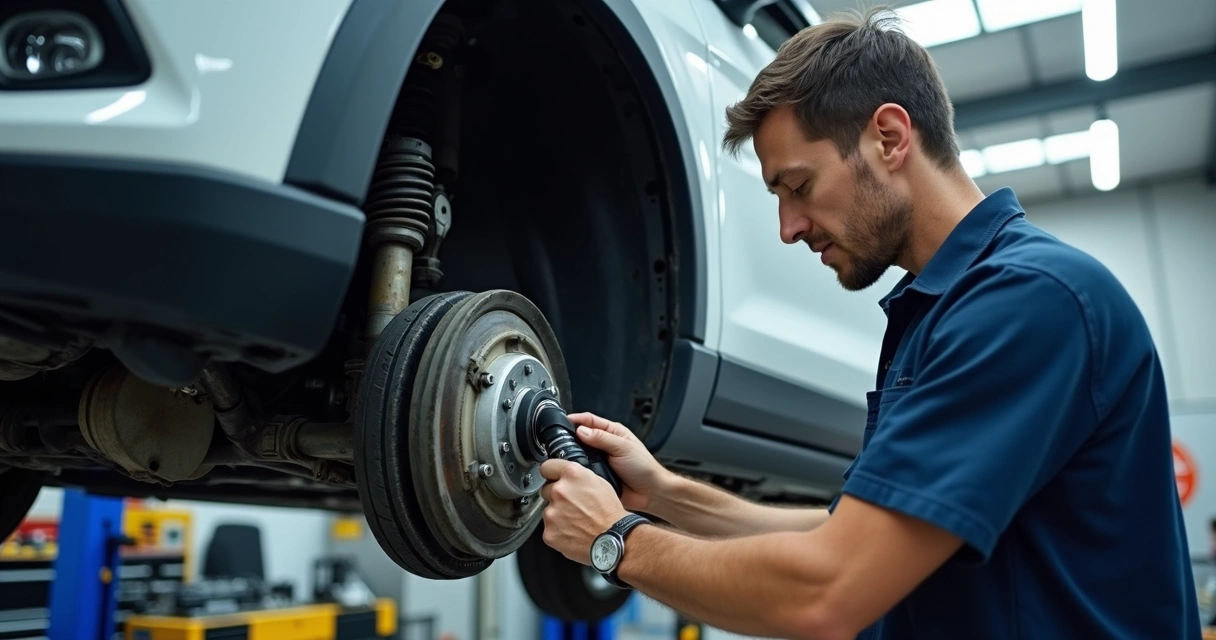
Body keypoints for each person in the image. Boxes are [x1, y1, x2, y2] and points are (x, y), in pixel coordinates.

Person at [537, 6, 1199, 640]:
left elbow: (829, 589)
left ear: (889, 137)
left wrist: (616, 541)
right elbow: (843, 540)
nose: (789, 227)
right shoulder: (938, 312)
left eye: (798, 186)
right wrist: (661, 493)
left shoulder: (1030, 301)